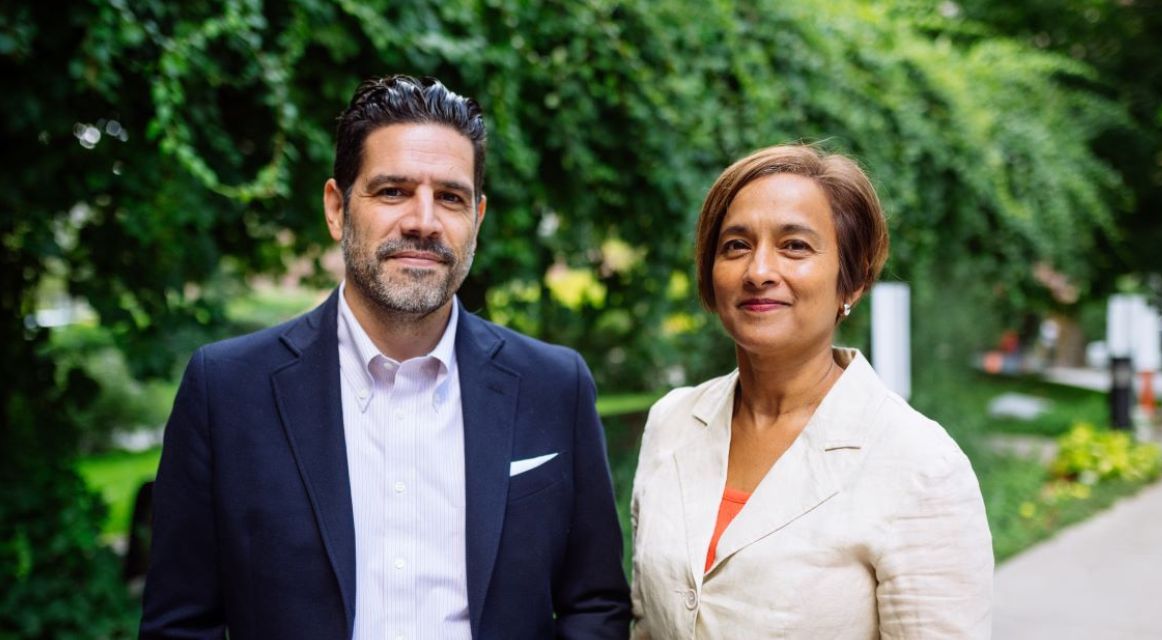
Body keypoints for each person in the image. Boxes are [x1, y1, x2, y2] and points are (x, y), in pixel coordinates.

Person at [140, 75, 632, 639]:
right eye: (393, 191)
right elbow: (180, 625)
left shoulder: (554, 385)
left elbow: (594, 602)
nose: (423, 221)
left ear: (478, 218)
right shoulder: (226, 390)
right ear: (336, 208)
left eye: (450, 197)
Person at [629, 143, 993, 638]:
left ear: (853, 279)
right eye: (735, 245)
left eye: (794, 246)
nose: (758, 271)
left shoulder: (919, 464)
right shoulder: (672, 421)